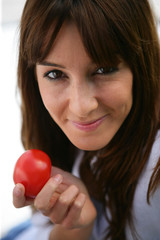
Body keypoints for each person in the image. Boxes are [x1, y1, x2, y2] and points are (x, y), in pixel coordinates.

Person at [11, 0, 160, 239]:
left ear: (141, 65)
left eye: (103, 70)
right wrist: (76, 225)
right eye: (55, 74)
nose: (81, 107)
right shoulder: (53, 135)